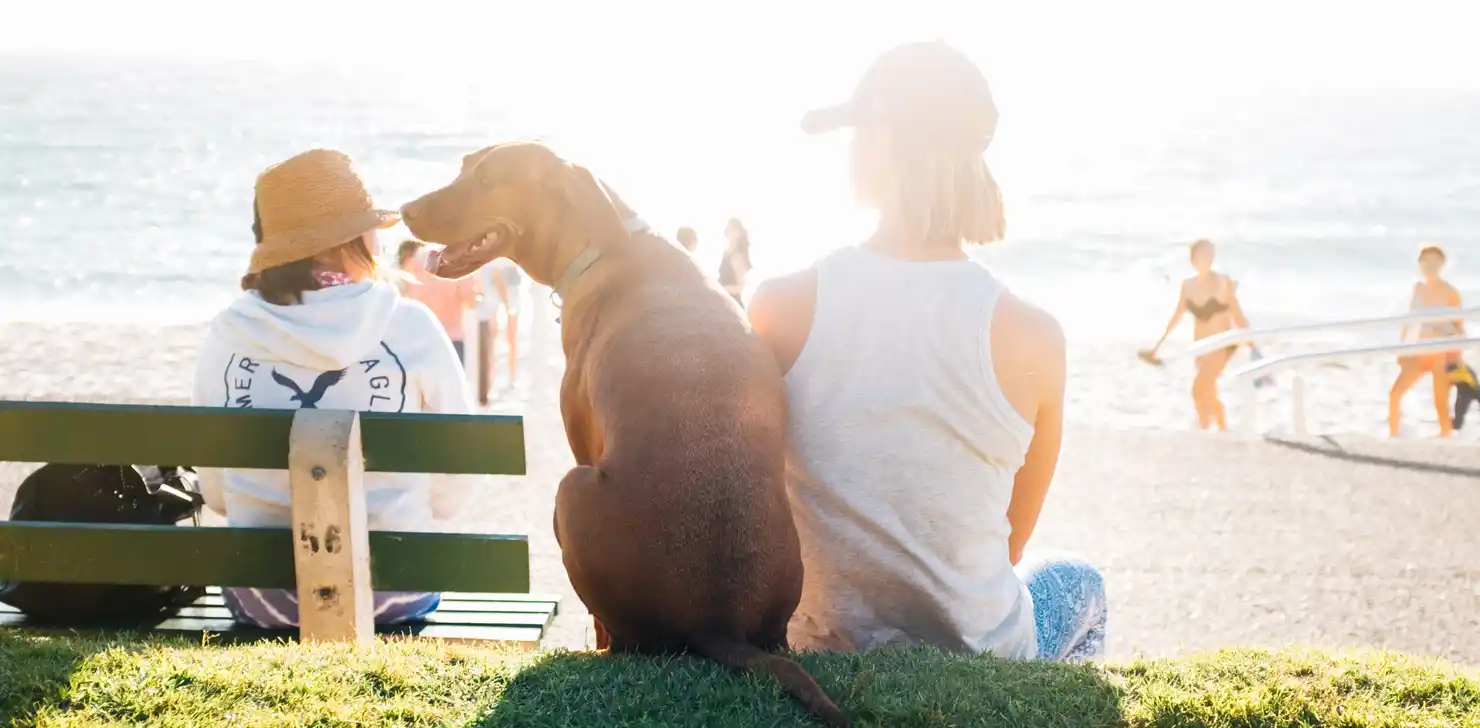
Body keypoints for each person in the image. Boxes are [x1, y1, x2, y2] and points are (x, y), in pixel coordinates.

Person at [749, 41, 1104, 662]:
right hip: (981, 651)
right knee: (1081, 582)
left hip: (821, 643)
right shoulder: (1034, 336)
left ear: (881, 145)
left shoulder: (781, 305)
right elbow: (1010, 546)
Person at [191, 149, 480, 628]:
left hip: (263, 598)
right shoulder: (408, 324)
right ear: (357, 237)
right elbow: (456, 485)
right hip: (394, 588)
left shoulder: (228, 332)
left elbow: (217, 496)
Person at [1142, 239, 1250, 431]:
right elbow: (1176, 317)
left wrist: (1252, 345)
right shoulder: (1187, 286)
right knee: (1208, 391)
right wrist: (1157, 347)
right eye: (1203, 254)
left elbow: (1238, 316)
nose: (1208, 258)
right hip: (1200, 346)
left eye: (1210, 254)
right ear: (1193, 259)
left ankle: (1212, 427)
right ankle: (1214, 429)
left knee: (1198, 388)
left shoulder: (1224, 282)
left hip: (1222, 344)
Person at [1390, 244, 1464, 438]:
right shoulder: (1417, 288)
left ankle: (1445, 439)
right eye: (1426, 262)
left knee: (1440, 402)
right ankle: (1393, 436)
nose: (1430, 266)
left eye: (1434, 262)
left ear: (1442, 264)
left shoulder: (1450, 292)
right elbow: (1409, 321)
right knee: (1395, 394)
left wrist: (1456, 358)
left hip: (1440, 354)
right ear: (1420, 264)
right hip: (1418, 353)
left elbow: (1458, 328)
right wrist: (1402, 351)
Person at [400, 239, 479, 365]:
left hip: (423, 339)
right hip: (452, 340)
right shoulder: (458, 259)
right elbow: (470, 300)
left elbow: (408, 296)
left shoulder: (418, 258)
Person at [472, 259, 525, 404]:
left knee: (503, 334)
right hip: (497, 275)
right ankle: (499, 378)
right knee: (496, 334)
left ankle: (507, 377)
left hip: (502, 275)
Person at [718, 217, 752, 304]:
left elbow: (739, 288)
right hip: (723, 300)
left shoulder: (737, 256)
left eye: (734, 230)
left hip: (732, 303)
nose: (731, 233)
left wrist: (720, 288)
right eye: (729, 230)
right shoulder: (726, 253)